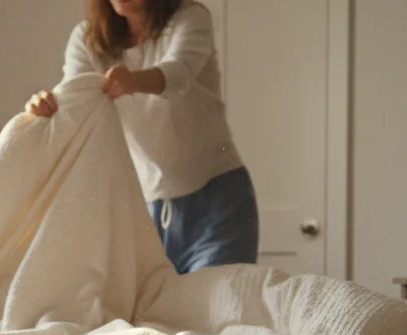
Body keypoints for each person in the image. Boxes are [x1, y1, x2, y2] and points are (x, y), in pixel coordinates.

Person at [26, 0, 259, 275]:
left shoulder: (190, 17)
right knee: (152, 304)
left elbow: (178, 73)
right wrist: (44, 106)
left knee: (217, 300)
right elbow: (74, 102)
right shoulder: (89, 39)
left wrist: (133, 81)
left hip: (217, 205)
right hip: (147, 211)